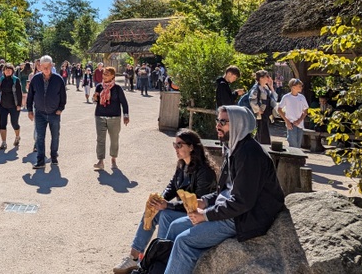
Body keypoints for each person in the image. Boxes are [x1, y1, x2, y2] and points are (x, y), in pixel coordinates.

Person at [161, 106, 285, 274]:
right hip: (228, 211)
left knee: (184, 241)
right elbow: (224, 191)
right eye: (217, 120)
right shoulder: (233, 148)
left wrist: (205, 215)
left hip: (243, 218)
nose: (217, 125)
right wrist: (204, 201)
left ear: (238, 124)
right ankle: (160, 268)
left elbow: (242, 203)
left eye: (223, 122)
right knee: (175, 226)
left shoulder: (249, 154)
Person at [112, 129, 217, 274]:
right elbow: (172, 186)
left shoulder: (205, 172)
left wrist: (167, 205)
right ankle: (134, 257)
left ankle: (159, 258)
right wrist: (160, 200)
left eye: (180, 145)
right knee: (153, 209)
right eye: (175, 145)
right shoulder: (182, 165)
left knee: (165, 213)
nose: (176, 149)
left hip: (198, 216)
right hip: (183, 211)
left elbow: (196, 204)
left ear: (191, 147)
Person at [26, 55, 67, 168]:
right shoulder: (35, 79)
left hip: (54, 113)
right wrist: (30, 110)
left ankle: (54, 156)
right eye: (43, 67)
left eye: (48, 66)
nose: (46, 69)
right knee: (40, 137)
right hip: (40, 113)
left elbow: (63, 96)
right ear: (40, 67)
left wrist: (60, 108)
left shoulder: (58, 79)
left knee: (55, 136)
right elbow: (30, 96)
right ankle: (40, 161)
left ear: (52, 66)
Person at [92, 67, 129, 171]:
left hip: (114, 117)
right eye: (104, 74)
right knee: (100, 139)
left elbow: (124, 103)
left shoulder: (117, 88)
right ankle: (100, 161)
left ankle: (113, 160)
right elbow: (95, 101)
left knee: (114, 139)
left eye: (107, 74)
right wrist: (94, 98)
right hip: (100, 116)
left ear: (113, 76)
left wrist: (126, 115)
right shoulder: (99, 86)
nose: (104, 76)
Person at [246, 70, 278, 145]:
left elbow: (274, 98)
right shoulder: (256, 88)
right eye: (267, 76)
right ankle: (263, 146)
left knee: (261, 131)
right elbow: (252, 99)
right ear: (261, 78)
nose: (268, 78)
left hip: (266, 112)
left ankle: (257, 145)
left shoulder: (266, 88)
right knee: (262, 131)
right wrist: (258, 110)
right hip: (261, 113)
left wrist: (271, 87)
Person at [0, 65, 23, 150]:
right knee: (2, 124)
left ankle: (17, 136)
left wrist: (19, 104)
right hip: (3, 105)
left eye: (9, 70)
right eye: (6, 70)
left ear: (12, 71)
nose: (8, 71)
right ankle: (4, 143)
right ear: (3, 71)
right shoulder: (1, 79)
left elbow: (19, 93)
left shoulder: (15, 80)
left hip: (14, 106)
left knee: (14, 123)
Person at [277, 78, 309, 148]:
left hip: (300, 125)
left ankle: (298, 159)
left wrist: (299, 120)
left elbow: (306, 110)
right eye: (299, 86)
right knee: (293, 145)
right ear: (293, 87)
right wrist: (287, 121)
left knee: (298, 146)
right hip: (291, 124)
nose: (301, 87)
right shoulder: (286, 97)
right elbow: (279, 109)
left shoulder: (302, 97)